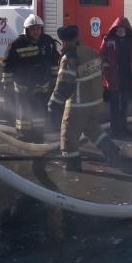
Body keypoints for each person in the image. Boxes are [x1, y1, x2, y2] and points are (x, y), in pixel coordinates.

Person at [48, 25, 121, 172]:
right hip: (95, 103)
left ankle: (72, 166)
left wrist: (53, 104)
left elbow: (64, 85)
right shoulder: (91, 52)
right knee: (93, 129)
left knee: (68, 136)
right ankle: (112, 152)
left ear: (64, 41)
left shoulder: (69, 58)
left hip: (78, 106)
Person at [1, 14, 60, 143]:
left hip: (42, 86)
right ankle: (23, 137)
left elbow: (54, 62)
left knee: (40, 113)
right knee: (23, 115)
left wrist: (55, 80)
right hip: (23, 88)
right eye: (33, 29)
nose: (36, 32)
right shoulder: (17, 44)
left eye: (38, 28)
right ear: (26, 30)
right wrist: (7, 85)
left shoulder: (47, 42)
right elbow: (7, 65)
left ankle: (38, 136)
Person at [99, 17, 132, 138]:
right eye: (119, 27)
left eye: (123, 27)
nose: (121, 29)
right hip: (113, 78)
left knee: (124, 104)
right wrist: (106, 71)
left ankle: (123, 128)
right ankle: (115, 130)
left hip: (127, 77)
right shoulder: (108, 39)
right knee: (114, 105)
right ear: (115, 28)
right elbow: (102, 55)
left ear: (127, 28)